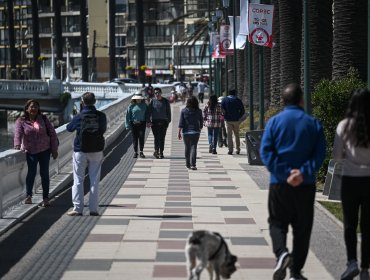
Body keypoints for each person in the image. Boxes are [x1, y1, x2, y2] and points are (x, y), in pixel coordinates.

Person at [259, 83, 326, 280]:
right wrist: (302, 173)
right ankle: (296, 271)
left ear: (283, 101)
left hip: (279, 183)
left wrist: (285, 172)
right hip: (305, 185)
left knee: (277, 222)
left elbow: (266, 152)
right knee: (302, 229)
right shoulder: (313, 123)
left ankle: (281, 254)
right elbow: (319, 154)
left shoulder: (274, 122)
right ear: (301, 100)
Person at [333, 88, 370, 280]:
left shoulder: (344, 126)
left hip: (350, 179)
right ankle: (365, 268)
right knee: (367, 226)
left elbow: (337, 156)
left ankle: (351, 262)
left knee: (350, 224)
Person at [66, 92, 107, 216]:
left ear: (82, 102)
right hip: (96, 150)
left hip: (80, 150)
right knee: (94, 180)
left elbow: (69, 128)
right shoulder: (101, 116)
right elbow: (103, 129)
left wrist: (77, 114)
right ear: (95, 102)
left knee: (78, 179)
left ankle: (78, 208)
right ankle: (93, 209)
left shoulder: (79, 116)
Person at [14, 99, 59, 207]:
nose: (34, 109)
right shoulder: (21, 121)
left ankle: (45, 198)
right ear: (27, 109)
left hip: (45, 150)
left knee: (44, 174)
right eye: (31, 107)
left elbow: (52, 133)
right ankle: (29, 196)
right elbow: (18, 134)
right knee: (31, 173)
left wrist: (54, 149)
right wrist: (17, 146)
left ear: (38, 109)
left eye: (36, 107)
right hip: (31, 151)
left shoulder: (43, 119)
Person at [178, 96, 203, 170]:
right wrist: (200, 128)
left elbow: (181, 123)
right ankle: (193, 165)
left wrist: (179, 132)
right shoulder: (199, 111)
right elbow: (201, 122)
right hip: (195, 132)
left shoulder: (183, 111)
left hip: (186, 132)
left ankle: (187, 163)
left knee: (187, 147)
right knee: (193, 147)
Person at [148, 87, 171, 158]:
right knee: (156, 137)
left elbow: (169, 112)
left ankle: (161, 152)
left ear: (161, 93)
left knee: (162, 137)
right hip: (154, 122)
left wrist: (168, 121)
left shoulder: (165, 101)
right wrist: (148, 121)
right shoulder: (152, 101)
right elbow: (148, 112)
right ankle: (156, 151)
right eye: (155, 93)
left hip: (164, 122)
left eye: (158, 93)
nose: (157, 94)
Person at [221, 89, 245, 155]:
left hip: (228, 120)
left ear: (229, 93)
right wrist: (238, 116)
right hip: (236, 120)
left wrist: (225, 115)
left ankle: (230, 150)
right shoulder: (238, 100)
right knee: (236, 134)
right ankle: (238, 149)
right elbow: (242, 110)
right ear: (235, 94)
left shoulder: (225, 100)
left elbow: (222, 109)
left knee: (229, 135)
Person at [125, 92, 149, 158]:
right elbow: (127, 116)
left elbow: (147, 115)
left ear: (142, 99)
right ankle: (135, 152)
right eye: (137, 99)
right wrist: (127, 125)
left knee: (141, 137)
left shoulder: (144, 105)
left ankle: (141, 152)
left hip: (142, 124)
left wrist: (148, 122)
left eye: (140, 99)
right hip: (133, 124)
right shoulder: (131, 106)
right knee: (134, 138)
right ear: (135, 99)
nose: (138, 100)